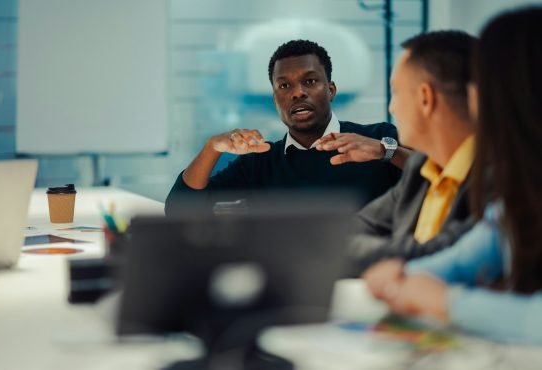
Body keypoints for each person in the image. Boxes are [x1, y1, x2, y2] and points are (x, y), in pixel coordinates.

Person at [363, 6, 542, 344]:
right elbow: (468, 257)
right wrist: (403, 277)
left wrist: (447, 302)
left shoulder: (492, 175)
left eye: (481, 82)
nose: (470, 96)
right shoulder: (522, 190)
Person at [165, 39, 411, 215]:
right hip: (292, 283)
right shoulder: (260, 161)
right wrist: (212, 147)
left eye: (310, 81)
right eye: (284, 86)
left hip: (366, 282)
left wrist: (384, 151)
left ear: (331, 90)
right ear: (275, 100)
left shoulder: (377, 139)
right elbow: (179, 209)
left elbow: (440, 178)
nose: (298, 93)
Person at [343, 30, 478, 277]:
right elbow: (350, 230)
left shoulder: (500, 177)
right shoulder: (421, 168)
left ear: (426, 98)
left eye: (396, 92)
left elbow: (437, 255)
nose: (391, 107)